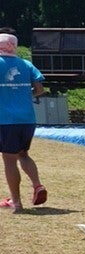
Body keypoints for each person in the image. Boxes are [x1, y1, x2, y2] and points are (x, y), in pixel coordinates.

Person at [0, 31, 46, 213]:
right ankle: (37, 185)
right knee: (23, 154)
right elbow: (40, 90)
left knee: (9, 160)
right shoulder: (26, 64)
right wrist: (24, 95)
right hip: (27, 118)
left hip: (5, 120)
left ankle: (16, 202)